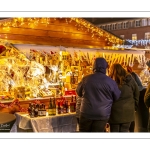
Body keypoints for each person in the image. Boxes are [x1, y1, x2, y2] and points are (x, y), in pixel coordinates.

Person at [76, 57, 121, 132]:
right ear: (105, 68)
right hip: (102, 114)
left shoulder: (86, 79)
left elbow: (79, 92)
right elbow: (117, 96)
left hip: (86, 113)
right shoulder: (111, 82)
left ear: (94, 67)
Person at [108, 63, 139, 132]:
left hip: (114, 113)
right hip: (128, 112)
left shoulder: (110, 82)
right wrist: (134, 106)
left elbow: (107, 98)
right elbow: (137, 92)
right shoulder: (130, 79)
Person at [126, 65, 144, 132]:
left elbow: (140, 87)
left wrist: (132, 90)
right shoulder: (119, 78)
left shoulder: (133, 75)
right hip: (130, 103)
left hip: (130, 102)